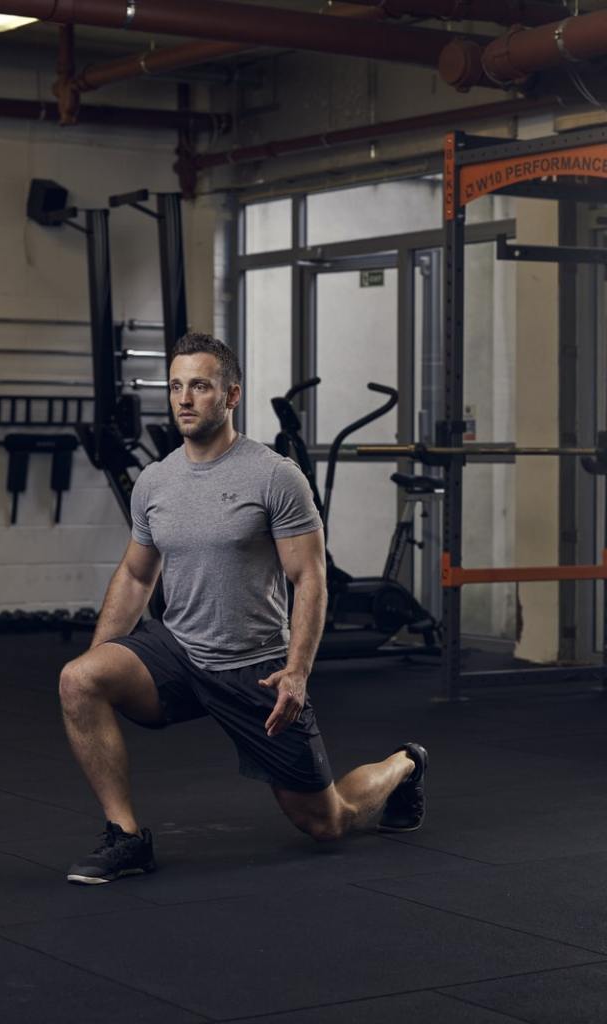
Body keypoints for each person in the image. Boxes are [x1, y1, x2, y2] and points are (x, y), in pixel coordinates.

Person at [59, 332, 428, 885]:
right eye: (177, 386)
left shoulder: (275, 476)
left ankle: (406, 764)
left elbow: (310, 578)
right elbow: (137, 575)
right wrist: (101, 659)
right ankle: (127, 838)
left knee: (327, 823)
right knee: (78, 680)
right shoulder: (155, 481)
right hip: (178, 652)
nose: (184, 399)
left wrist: (298, 672)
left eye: (200, 387)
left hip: (256, 668)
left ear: (231, 396)